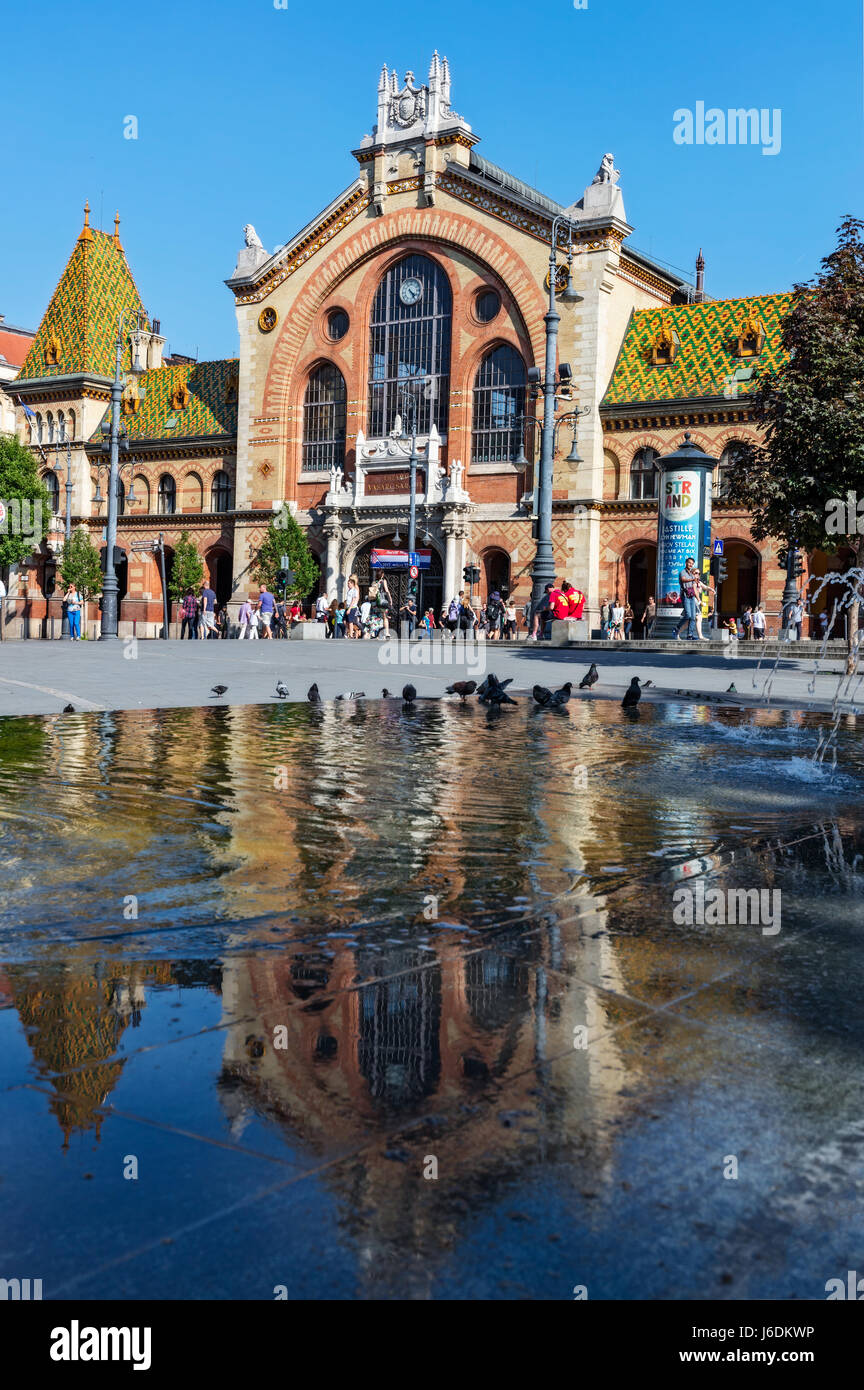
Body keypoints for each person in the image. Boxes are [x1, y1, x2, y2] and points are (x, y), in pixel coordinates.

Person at [675, 558, 701, 641]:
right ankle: (677, 627)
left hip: (692, 596)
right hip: (685, 596)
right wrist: (693, 579)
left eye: (692, 563)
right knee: (688, 615)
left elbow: (694, 588)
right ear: (686, 563)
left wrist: (699, 599)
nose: (690, 564)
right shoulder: (683, 572)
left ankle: (690, 635)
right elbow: (683, 579)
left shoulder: (692, 574)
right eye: (689, 563)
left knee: (693, 617)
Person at [345, 573, 360, 639]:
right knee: (348, 621)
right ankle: (353, 631)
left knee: (352, 621)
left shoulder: (355, 587)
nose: (349, 581)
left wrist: (353, 604)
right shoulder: (350, 588)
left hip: (353, 606)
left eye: (350, 579)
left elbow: (356, 597)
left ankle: (354, 631)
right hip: (349, 606)